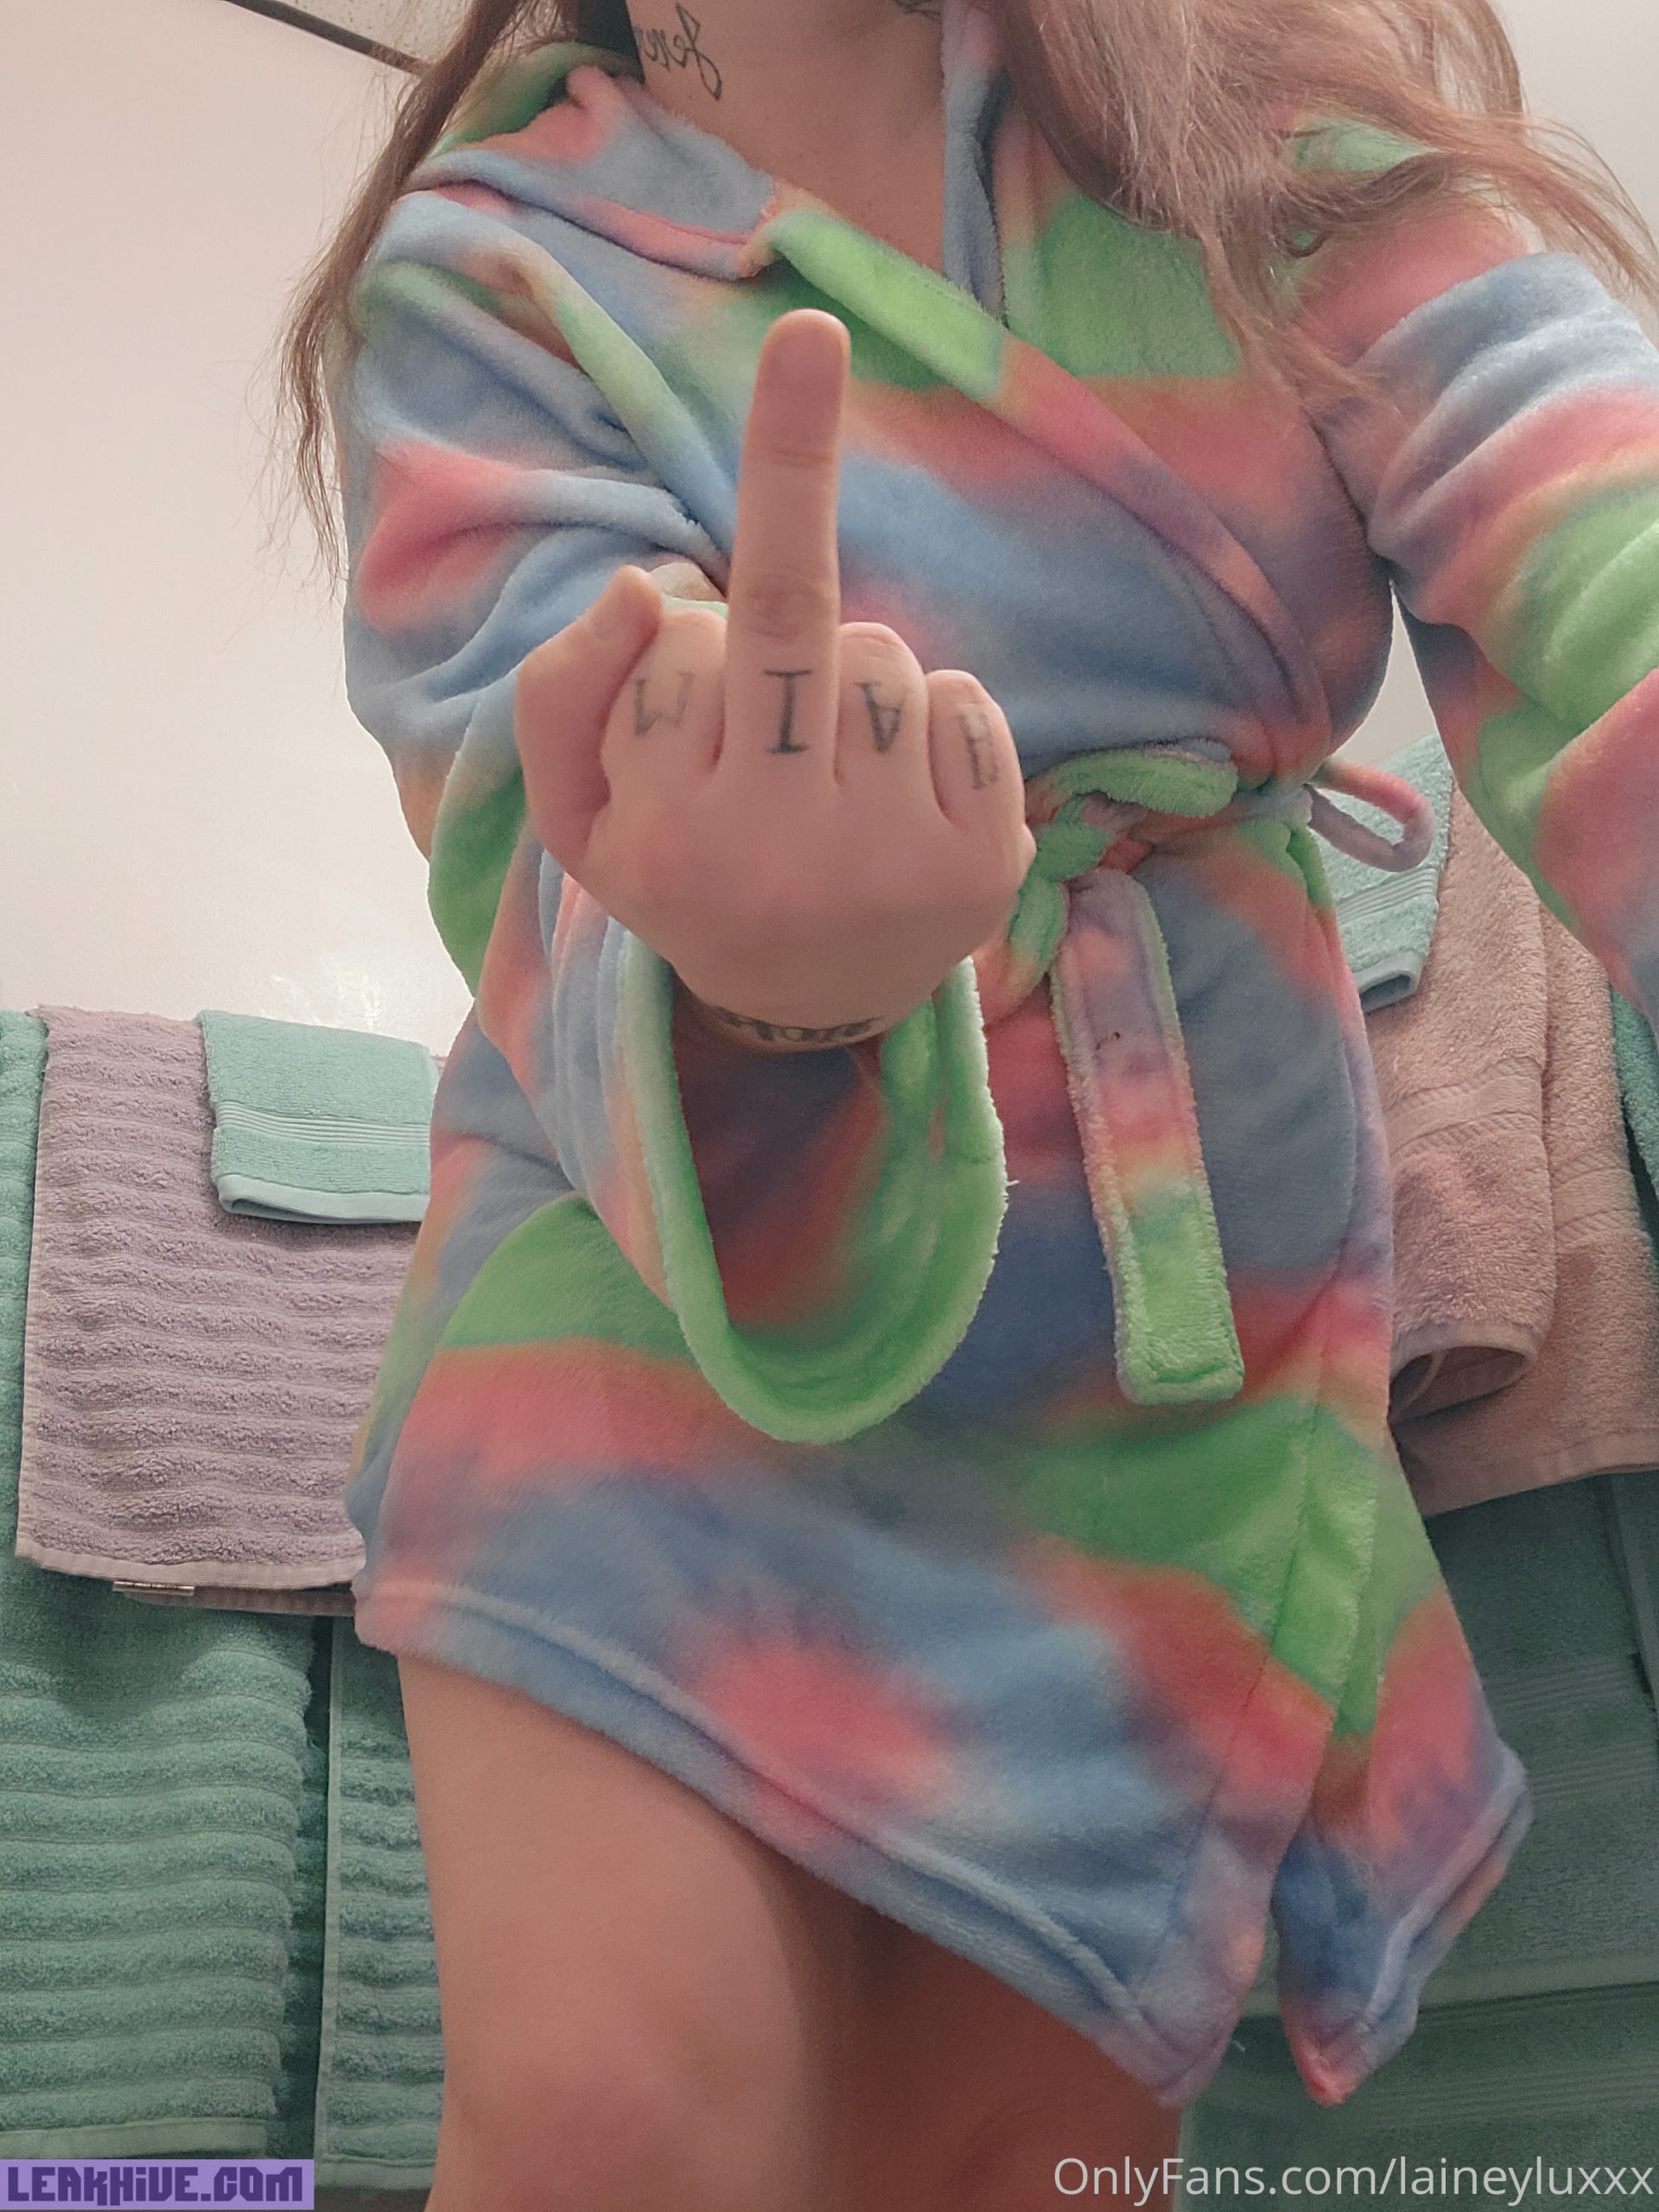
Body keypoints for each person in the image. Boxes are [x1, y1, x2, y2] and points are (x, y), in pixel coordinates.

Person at [274, 0, 1659, 2202]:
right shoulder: (489, 265)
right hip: (662, 1258)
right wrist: (756, 967)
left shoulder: (1251, 127)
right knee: (613, 2112)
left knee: (1012, 2164)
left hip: (1152, 1350)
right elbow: (520, 811)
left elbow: (1597, 532)